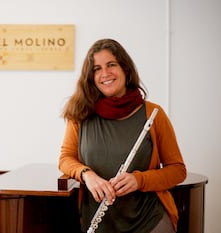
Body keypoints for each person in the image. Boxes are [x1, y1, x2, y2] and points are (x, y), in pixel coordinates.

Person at [58, 38, 186, 233]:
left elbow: (178, 170)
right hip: (97, 222)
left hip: (149, 220)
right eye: (97, 69)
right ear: (91, 77)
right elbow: (66, 159)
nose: (105, 74)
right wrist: (87, 175)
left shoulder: (153, 114)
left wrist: (139, 180)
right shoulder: (80, 114)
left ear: (125, 69)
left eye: (111, 65)